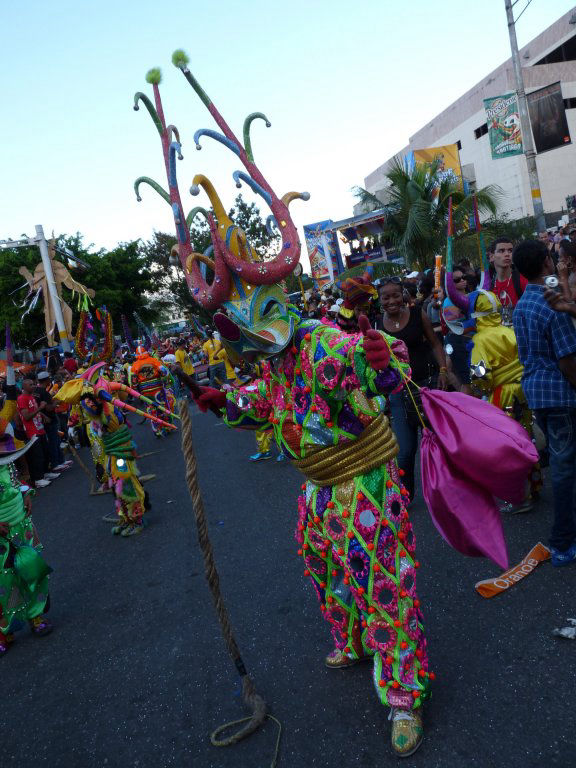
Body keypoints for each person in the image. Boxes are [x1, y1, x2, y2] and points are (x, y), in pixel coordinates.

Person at [512, 239, 576, 565]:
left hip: (538, 393)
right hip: (562, 392)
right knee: (565, 469)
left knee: (564, 465)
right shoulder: (552, 304)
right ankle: (563, 543)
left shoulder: (522, 305)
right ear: (548, 265)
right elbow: (567, 359)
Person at [377, 277, 448, 501]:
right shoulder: (377, 325)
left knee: (438, 443)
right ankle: (406, 496)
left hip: (427, 386)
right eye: (385, 297)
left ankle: (445, 489)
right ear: (379, 301)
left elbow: (436, 344)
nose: (391, 301)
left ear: (403, 295)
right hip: (399, 394)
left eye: (395, 295)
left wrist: (444, 371)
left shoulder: (418, 314)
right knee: (405, 451)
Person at [0, 362, 53, 655]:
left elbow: (14, 474)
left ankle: (35, 616)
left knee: (31, 569)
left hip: (20, 519)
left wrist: (26, 491)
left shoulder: (5, 446)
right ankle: (4, 631)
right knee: (3, 581)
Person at [17, 378, 59, 488]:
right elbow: (26, 416)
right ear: (24, 387)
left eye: (34, 384)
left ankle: (45, 473)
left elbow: (35, 411)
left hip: (40, 429)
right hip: (32, 432)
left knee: (45, 452)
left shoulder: (32, 397)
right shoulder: (22, 399)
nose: (34, 385)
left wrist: (44, 415)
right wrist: (41, 407)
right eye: (30, 384)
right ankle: (38, 479)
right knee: (37, 456)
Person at [35, 371, 71, 472]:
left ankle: (61, 461)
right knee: (54, 442)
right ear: (46, 380)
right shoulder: (44, 392)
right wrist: (57, 401)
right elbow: (49, 408)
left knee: (57, 441)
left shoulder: (36, 391)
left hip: (44, 421)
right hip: (50, 421)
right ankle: (55, 464)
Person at [489, 237, 527, 323]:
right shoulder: (489, 287)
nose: (507, 254)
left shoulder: (523, 280)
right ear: (491, 257)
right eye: (501, 251)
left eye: (510, 250)